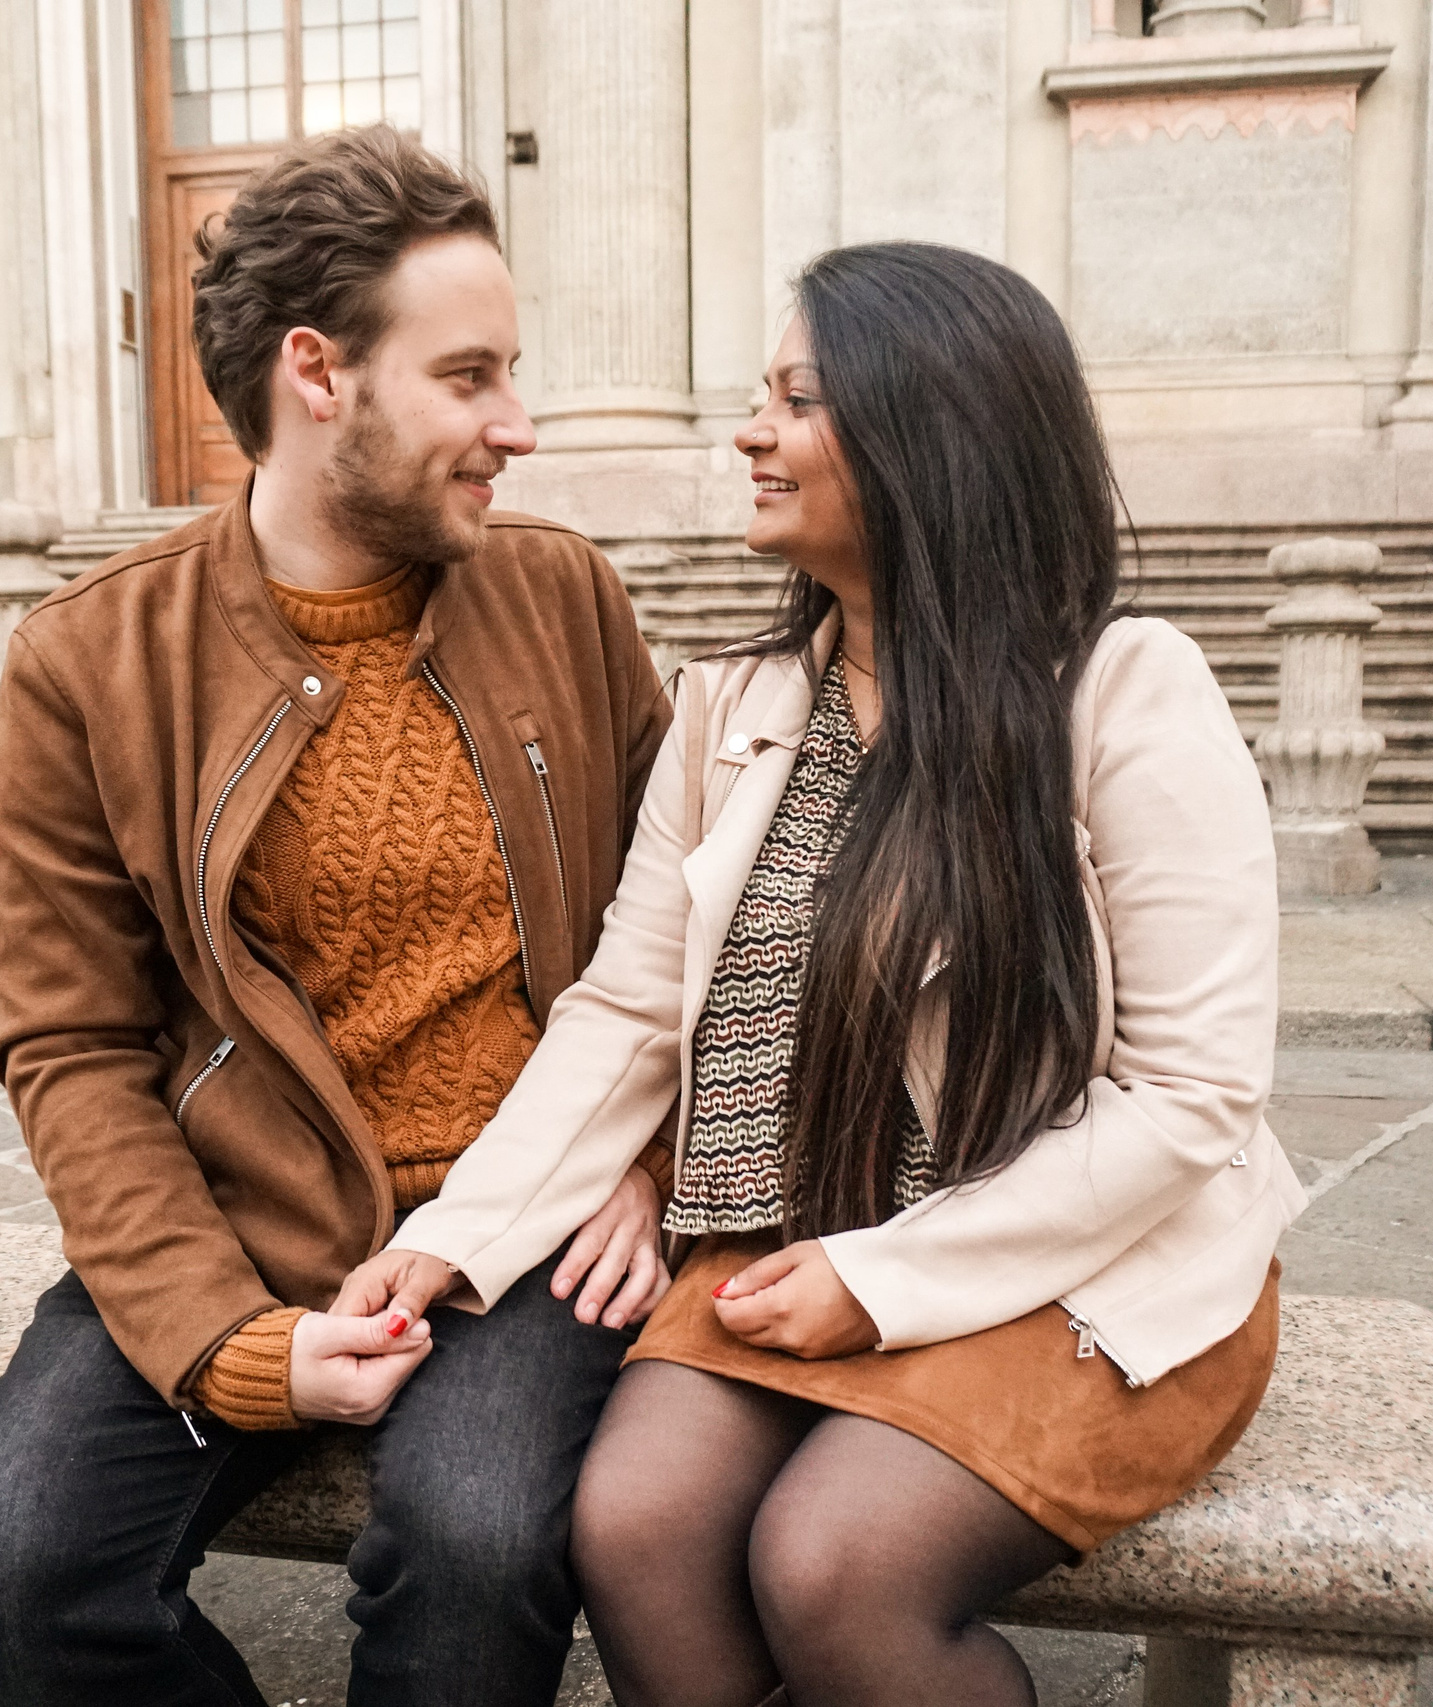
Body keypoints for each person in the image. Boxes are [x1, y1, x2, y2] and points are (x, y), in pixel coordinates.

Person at [338, 242, 1308, 1707]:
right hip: (783, 1232)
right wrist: (460, 1235)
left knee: (835, 1562)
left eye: (797, 401)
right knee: (637, 1526)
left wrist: (879, 1280)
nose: (750, 433)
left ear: (933, 434)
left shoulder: (1125, 690)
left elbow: (1193, 1097)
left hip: (1078, 1257)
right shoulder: (731, 702)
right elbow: (625, 1008)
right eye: (761, 397)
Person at [0, 126, 675, 1707]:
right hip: (239, 1221)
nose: (517, 425)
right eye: (468, 377)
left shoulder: (565, 598)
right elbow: (69, 1045)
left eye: (511, 374)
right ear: (317, 372)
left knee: (474, 1541)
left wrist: (649, 1157)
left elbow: (697, 931)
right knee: (5, 1578)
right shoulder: (91, 662)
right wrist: (234, 1347)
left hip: (530, 1214)